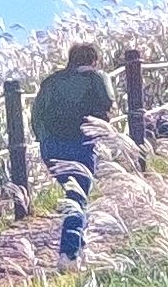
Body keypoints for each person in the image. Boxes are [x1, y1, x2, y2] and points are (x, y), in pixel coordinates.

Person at [28, 40, 116, 259]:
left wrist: (44, 140)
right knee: (77, 197)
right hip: (80, 143)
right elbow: (108, 101)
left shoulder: (50, 82)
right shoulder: (96, 77)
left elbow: (36, 115)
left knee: (74, 193)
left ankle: (78, 243)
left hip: (51, 147)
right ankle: (69, 254)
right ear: (94, 60)